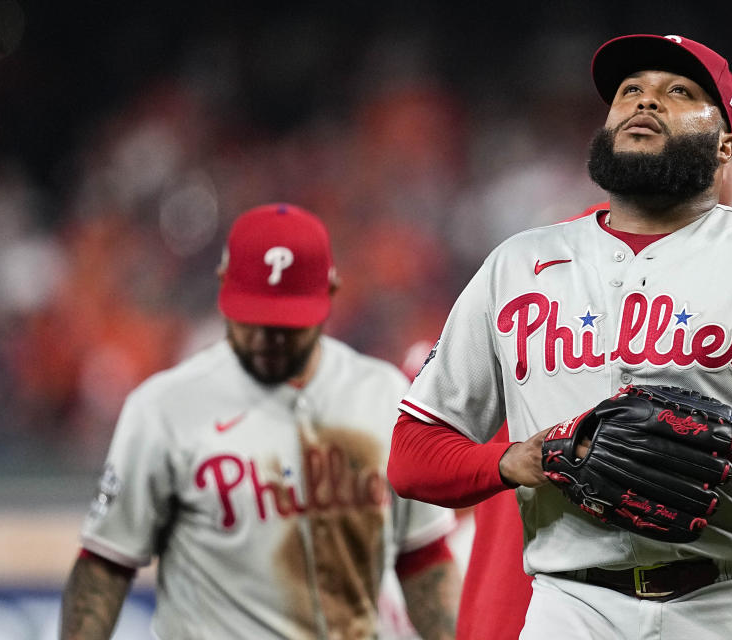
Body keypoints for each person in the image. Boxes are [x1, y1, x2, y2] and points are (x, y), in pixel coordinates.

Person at [388, 34, 732, 639]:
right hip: (571, 603)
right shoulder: (517, 264)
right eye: (630, 90)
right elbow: (411, 453)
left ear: (725, 145)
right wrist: (511, 460)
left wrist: (728, 440)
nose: (646, 100)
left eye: (679, 92)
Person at [60, 203, 461, 640]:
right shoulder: (163, 409)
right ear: (222, 286)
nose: (269, 338)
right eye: (255, 319)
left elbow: (424, 558)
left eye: (288, 325)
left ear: (330, 290)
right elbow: (104, 565)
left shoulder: (381, 395)